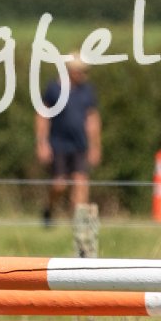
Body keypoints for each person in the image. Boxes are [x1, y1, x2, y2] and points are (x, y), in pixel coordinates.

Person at [35, 57, 101, 226]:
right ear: (72, 71)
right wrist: (42, 143)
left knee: (81, 183)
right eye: (82, 71)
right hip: (58, 145)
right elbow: (42, 115)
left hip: (80, 145)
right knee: (59, 185)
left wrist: (95, 146)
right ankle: (49, 209)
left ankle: (79, 226)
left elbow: (92, 118)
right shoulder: (54, 89)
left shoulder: (87, 91)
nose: (85, 75)